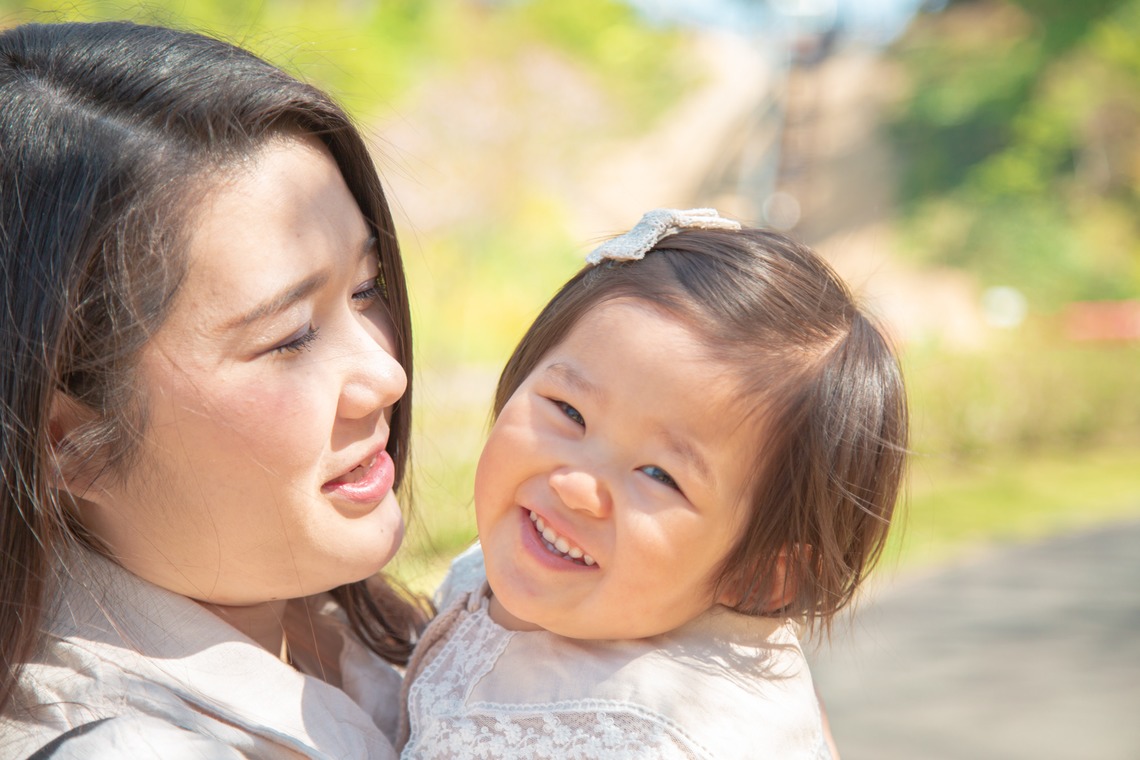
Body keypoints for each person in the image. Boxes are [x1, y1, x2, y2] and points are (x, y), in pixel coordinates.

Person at [0, 20, 429, 758]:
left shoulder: (350, 626)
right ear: (72, 444)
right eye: (291, 336)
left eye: (367, 289)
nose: (386, 375)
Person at [398, 209, 908, 759]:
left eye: (660, 475)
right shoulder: (486, 570)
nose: (577, 486)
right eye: (569, 411)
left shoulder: (663, 736)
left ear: (758, 575)